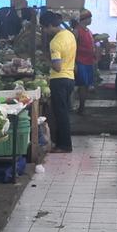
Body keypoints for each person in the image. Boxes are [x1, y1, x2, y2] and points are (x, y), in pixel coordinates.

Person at [42, 10, 75, 153]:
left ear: (50, 25)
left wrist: (46, 60)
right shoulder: (69, 35)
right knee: (64, 112)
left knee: (60, 114)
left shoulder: (55, 42)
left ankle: (64, 145)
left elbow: (57, 66)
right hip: (70, 78)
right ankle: (64, 143)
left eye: (44, 27)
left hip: (59, 79)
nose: (44, 31)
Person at [73, 10, 98, 113]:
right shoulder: (77, 31)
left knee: (86, 85)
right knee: (82, 85)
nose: (91, 20)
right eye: (90, 18)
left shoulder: (88, 31)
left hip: (89, 62)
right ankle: (81, 107)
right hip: (80, 62)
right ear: (85, 19)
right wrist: (74, 63)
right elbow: (72, 47)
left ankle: (82, 106)